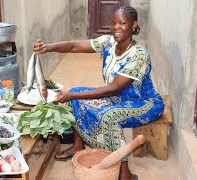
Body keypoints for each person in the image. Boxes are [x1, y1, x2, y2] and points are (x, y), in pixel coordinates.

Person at [33, 6, 164, 180]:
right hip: (117, 99)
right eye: (113, 23)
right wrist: (47, 48)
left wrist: (70, 96)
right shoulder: (109, 43)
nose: (116, 27)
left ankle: (125, 173)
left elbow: (113, 88)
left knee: (109, 116)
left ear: (134, 25)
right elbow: (74, 46)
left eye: (122, 23)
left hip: (144, 103)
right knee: (76, 93)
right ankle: (78, 146)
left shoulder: (139, 55)